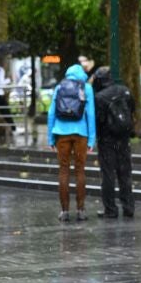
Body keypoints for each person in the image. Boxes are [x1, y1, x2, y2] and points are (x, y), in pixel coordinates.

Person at [47, 63, 96, 222]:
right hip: (81, 134)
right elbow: (91, 114)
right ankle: (81, 210)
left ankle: (64, 211)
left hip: (61, 134)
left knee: (63, 170)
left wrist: (50, 137)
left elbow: (51, 113)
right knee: (80, 170)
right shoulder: (86, 87)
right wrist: (91, 138)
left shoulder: (60, 87)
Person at [92, 67, 135, 219]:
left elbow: (98, 120)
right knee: (125, 173)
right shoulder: (125, 91)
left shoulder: (99, 97)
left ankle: (110, 209)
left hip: (107, 140)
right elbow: (132, 110)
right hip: (123, 139)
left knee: (108, 175)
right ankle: (128, 207)